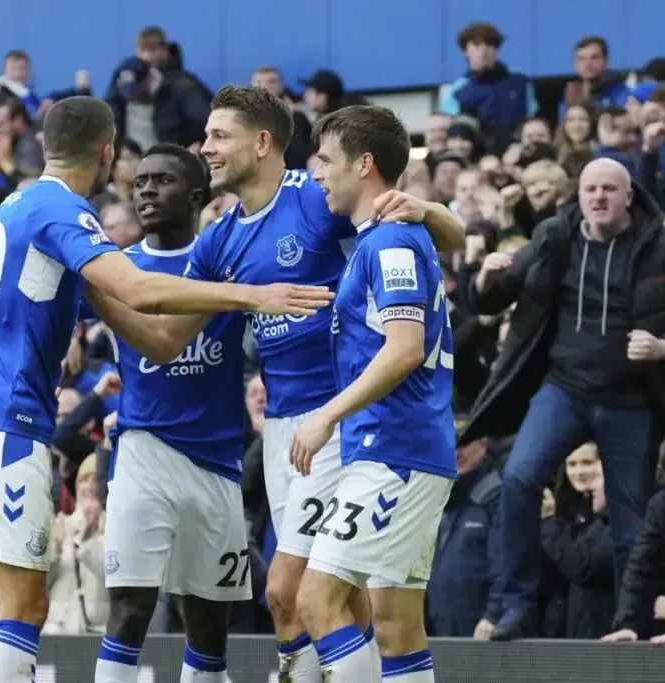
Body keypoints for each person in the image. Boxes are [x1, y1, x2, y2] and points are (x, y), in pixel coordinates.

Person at [0, 96, 335, 683]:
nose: (144, 190)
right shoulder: (65, 214)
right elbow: (143, 295)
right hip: (8, 425)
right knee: (23, 608)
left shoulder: (9, 209)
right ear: (107, 154)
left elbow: (143, 334)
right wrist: (254, 295)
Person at [86, 85, 464, 682]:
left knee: (301, 591)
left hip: (342, 422)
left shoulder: (315, 198)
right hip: (286, 430)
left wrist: (435, 210)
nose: (204, 148)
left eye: (217, 136)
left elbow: (425, 231)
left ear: (262, 143)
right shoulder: (219, 238)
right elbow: (164, 341)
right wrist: (93, 292)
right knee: (306, 603)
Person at [461, 158, 665, 640]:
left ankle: (629, 622)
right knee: (518, 479)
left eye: (609, 189)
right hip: (563, 389)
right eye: (590, 189)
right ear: (578, 195)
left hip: (632, 400)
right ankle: (517, 607)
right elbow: (492, 299)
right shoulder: (552, 236)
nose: (599, 197)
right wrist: (483, 280)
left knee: (631, 523)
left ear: (629, 196)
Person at [289, 105, 454, 682]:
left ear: (364, 165)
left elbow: (405, 347)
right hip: (408, 450)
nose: (317, 174)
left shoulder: (388, 245)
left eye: (326, 161)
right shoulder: (396, 234)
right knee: (395, 622)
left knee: (318, 600)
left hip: (395, 452)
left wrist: (325, 417)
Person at [85, 144, 249, 683]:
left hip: (218, 463)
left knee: (207, 627)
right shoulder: (117, 269)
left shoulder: (228, 266)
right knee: (129, 611)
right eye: (140, 182)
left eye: (162, 181)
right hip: (142, 452)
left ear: (198, 196)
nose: (147, 190)